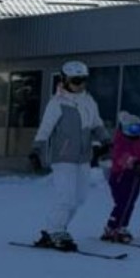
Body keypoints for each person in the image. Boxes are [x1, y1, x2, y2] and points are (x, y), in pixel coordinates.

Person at [29, 60, 110, 251]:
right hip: (63, 157)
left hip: (83, 157)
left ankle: (58, 228)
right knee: (66, 198)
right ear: (65, 80)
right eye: (75, 81)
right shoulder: (57, 103)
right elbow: (45, 128)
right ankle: (54, 230)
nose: (79, 85)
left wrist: (106, 140)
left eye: (82, 80)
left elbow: (96, 124)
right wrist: (36, 149)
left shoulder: (89, 101)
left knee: (79, 198)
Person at [101, 112, 140, 243]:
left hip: (136, 178)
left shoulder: (139, 142)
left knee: (130, 203)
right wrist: (134, 163)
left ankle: (121, 226)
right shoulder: (120, 141)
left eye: (139, 129)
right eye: (133, 129)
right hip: (121, 177)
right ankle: (113, 227)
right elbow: (120, 157)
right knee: (122, 202)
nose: (136, 132)